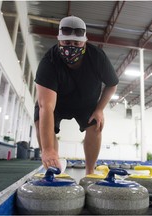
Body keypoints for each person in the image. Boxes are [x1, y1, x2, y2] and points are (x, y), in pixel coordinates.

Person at [34, 15, 119, 174]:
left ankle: (89, 171)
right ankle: (53, 166)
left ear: (84, 41)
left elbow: (112, 84)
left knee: (96, 125)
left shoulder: (97, 57)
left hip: (86, 101)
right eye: (67, 43)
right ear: (59, 40)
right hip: (56, 102)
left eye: (76, 43)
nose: (71, 47)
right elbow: (46, 106)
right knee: (40, 119)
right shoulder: (49, 62)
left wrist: (99, 109)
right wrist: (47, 149)